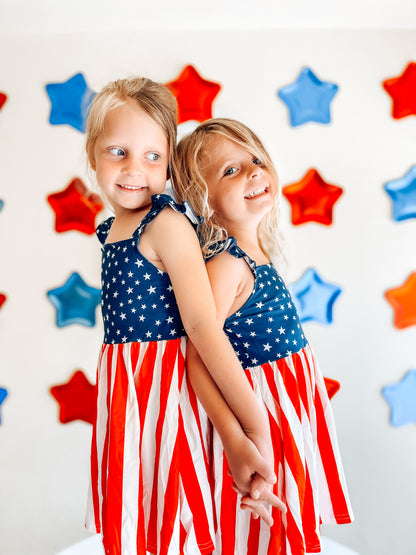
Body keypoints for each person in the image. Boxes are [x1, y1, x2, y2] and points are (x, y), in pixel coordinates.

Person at [84, 78, 282, 555]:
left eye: (153, 156)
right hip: (129, 387)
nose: (136, 169)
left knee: (180, 515)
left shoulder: (166, 224)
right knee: (143, 512)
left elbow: (201, 327)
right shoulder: (114, 228)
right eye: (118, 152)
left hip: (165, 389)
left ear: (170, 165)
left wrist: (250, 431)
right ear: (93, 156)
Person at [174, 118, 354, 555]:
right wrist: (239, 440)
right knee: (259, 533)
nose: (253, 172)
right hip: (262, 415)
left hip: (284, 409)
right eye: (230, 171)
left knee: (286, 527)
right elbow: (196, 357)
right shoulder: (227, 264)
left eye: (254, 160)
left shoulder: (258, 253)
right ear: (205, 202)